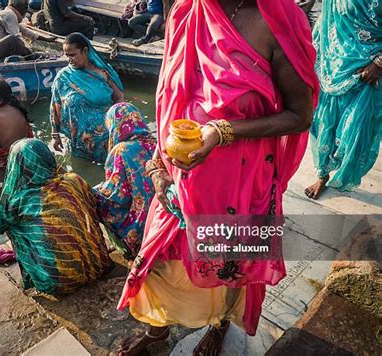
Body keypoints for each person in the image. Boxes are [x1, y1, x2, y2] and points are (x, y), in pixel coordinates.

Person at [116, 0, 319, 355]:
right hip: (180, 177)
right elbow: (170, 97)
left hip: (242, 183)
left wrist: (223, 131)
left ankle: (220, 323)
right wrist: (157, 166)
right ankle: (156, 330)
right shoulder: (185, 11)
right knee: (161, 260)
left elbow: (299, 115)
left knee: (231, 265)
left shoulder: (278, 20)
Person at [0, 138, 112, 295]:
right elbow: (93, 204)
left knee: (13, 226)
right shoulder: (74, 180)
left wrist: (7, 199)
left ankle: (44, 274)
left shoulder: (17, 200)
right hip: (99, 265)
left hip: (59, 283)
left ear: (18, 166)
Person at [305, 0, 381, 199]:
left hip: (368, 70)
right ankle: (322, 173)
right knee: (324, 122)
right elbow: (326, 17)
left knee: (356, 129)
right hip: (333, 62)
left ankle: (343, 170)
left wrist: (378, 63)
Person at [93, 102, 156, 261]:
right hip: (162, 218)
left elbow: (117, 194)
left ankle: (128, 248)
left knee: (96, 198)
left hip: (141, 227)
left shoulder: (121, 150)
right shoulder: (156, 142)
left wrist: (92, 191)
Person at [51, 32, 124, 163]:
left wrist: (116, 125)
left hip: (105, 140)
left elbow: (119, 99)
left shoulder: (103, 73)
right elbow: (55, 106)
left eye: (73, 55)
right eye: (67, 55)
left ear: (85, 51)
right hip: (78, 143)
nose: (69, 60)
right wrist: (55, 135)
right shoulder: (63, 77)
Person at [0, 0, 55, 64]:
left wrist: (48, 39)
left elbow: (27, 32)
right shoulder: (9, 14)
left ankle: (31, 56)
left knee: (14, 42)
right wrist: (29, 52)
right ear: (22, 9)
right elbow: (17, 38)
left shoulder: (8, 14)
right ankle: (32, 58)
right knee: (13, 40)